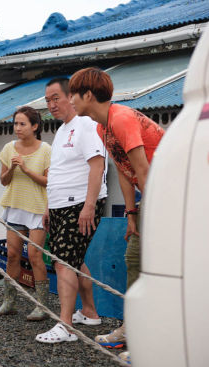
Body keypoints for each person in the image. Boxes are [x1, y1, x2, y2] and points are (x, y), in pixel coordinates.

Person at [69, 67, 164, 362]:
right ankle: (131, 327)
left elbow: (145, 170)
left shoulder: (121, 119)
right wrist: (132, 212)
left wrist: (158, 217)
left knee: (160, 266)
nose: (70, 99)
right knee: (133, 259)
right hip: (150, 196)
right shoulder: (102, 127)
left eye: (73, 93)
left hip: (168, 193)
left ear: (88, 95)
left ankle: (154, 342)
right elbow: (125, 171)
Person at [35, 77, 107, 344]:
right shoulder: (62, 130)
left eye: (56, 98)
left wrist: (89, 206)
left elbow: (97, 165)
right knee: (74, 260)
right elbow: (58, 173)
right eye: (47, 101)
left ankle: (65, 325)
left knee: (63, 263)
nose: (51, 105)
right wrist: (48, 207)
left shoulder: (86, 125)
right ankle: (89, 312)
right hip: (60, 204)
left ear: (71, 97)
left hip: (79, 203)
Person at [0, 106, 51, 321]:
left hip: (37, 208)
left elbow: (48, 181)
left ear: (35, 126)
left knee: (35, 255)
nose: (17, 128)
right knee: (13, 255)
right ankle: (9, 301)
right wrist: (12, 169)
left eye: (22, 123)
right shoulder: (9, 148)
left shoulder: (46, 149)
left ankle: (41, 305)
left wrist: (26, 169)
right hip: (15, 206)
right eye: (16, 123)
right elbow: (3, 181)